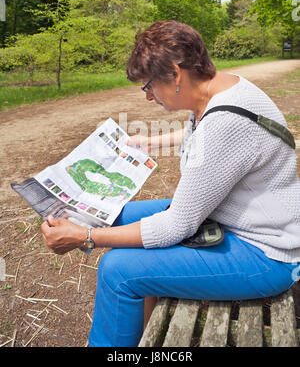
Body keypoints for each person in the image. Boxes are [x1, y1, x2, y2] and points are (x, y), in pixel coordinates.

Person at [41, 20, 300, 347]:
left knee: (117, 270)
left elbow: (176, 225)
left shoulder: (224, 124)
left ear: (176, 75)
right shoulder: (225, 87)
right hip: (238, 219)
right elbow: (203, 136)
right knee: (117, 216)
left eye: (148, 85)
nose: (149, 97)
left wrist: (87, 238)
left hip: (266, 254)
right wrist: (151, 142)